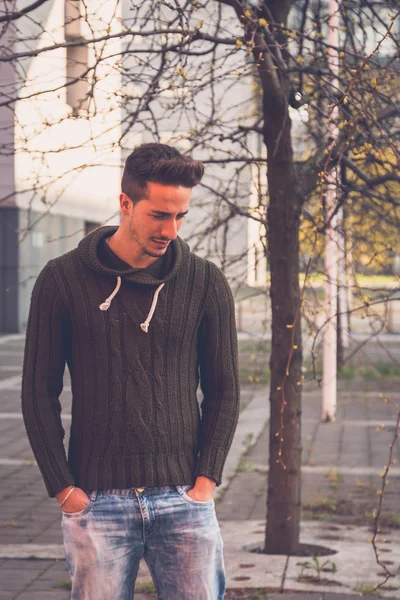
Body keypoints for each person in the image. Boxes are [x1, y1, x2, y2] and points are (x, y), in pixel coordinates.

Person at [21, 143, 240, 600]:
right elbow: (38, 392)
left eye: (181, 216)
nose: (171, 230)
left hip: (184, 498)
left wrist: (206, 481)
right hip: (96, 500)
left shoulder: (204, 282)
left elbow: (223, 390)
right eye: (159, 215)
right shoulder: (61, 280)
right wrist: (63, 487)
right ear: (126, 203)